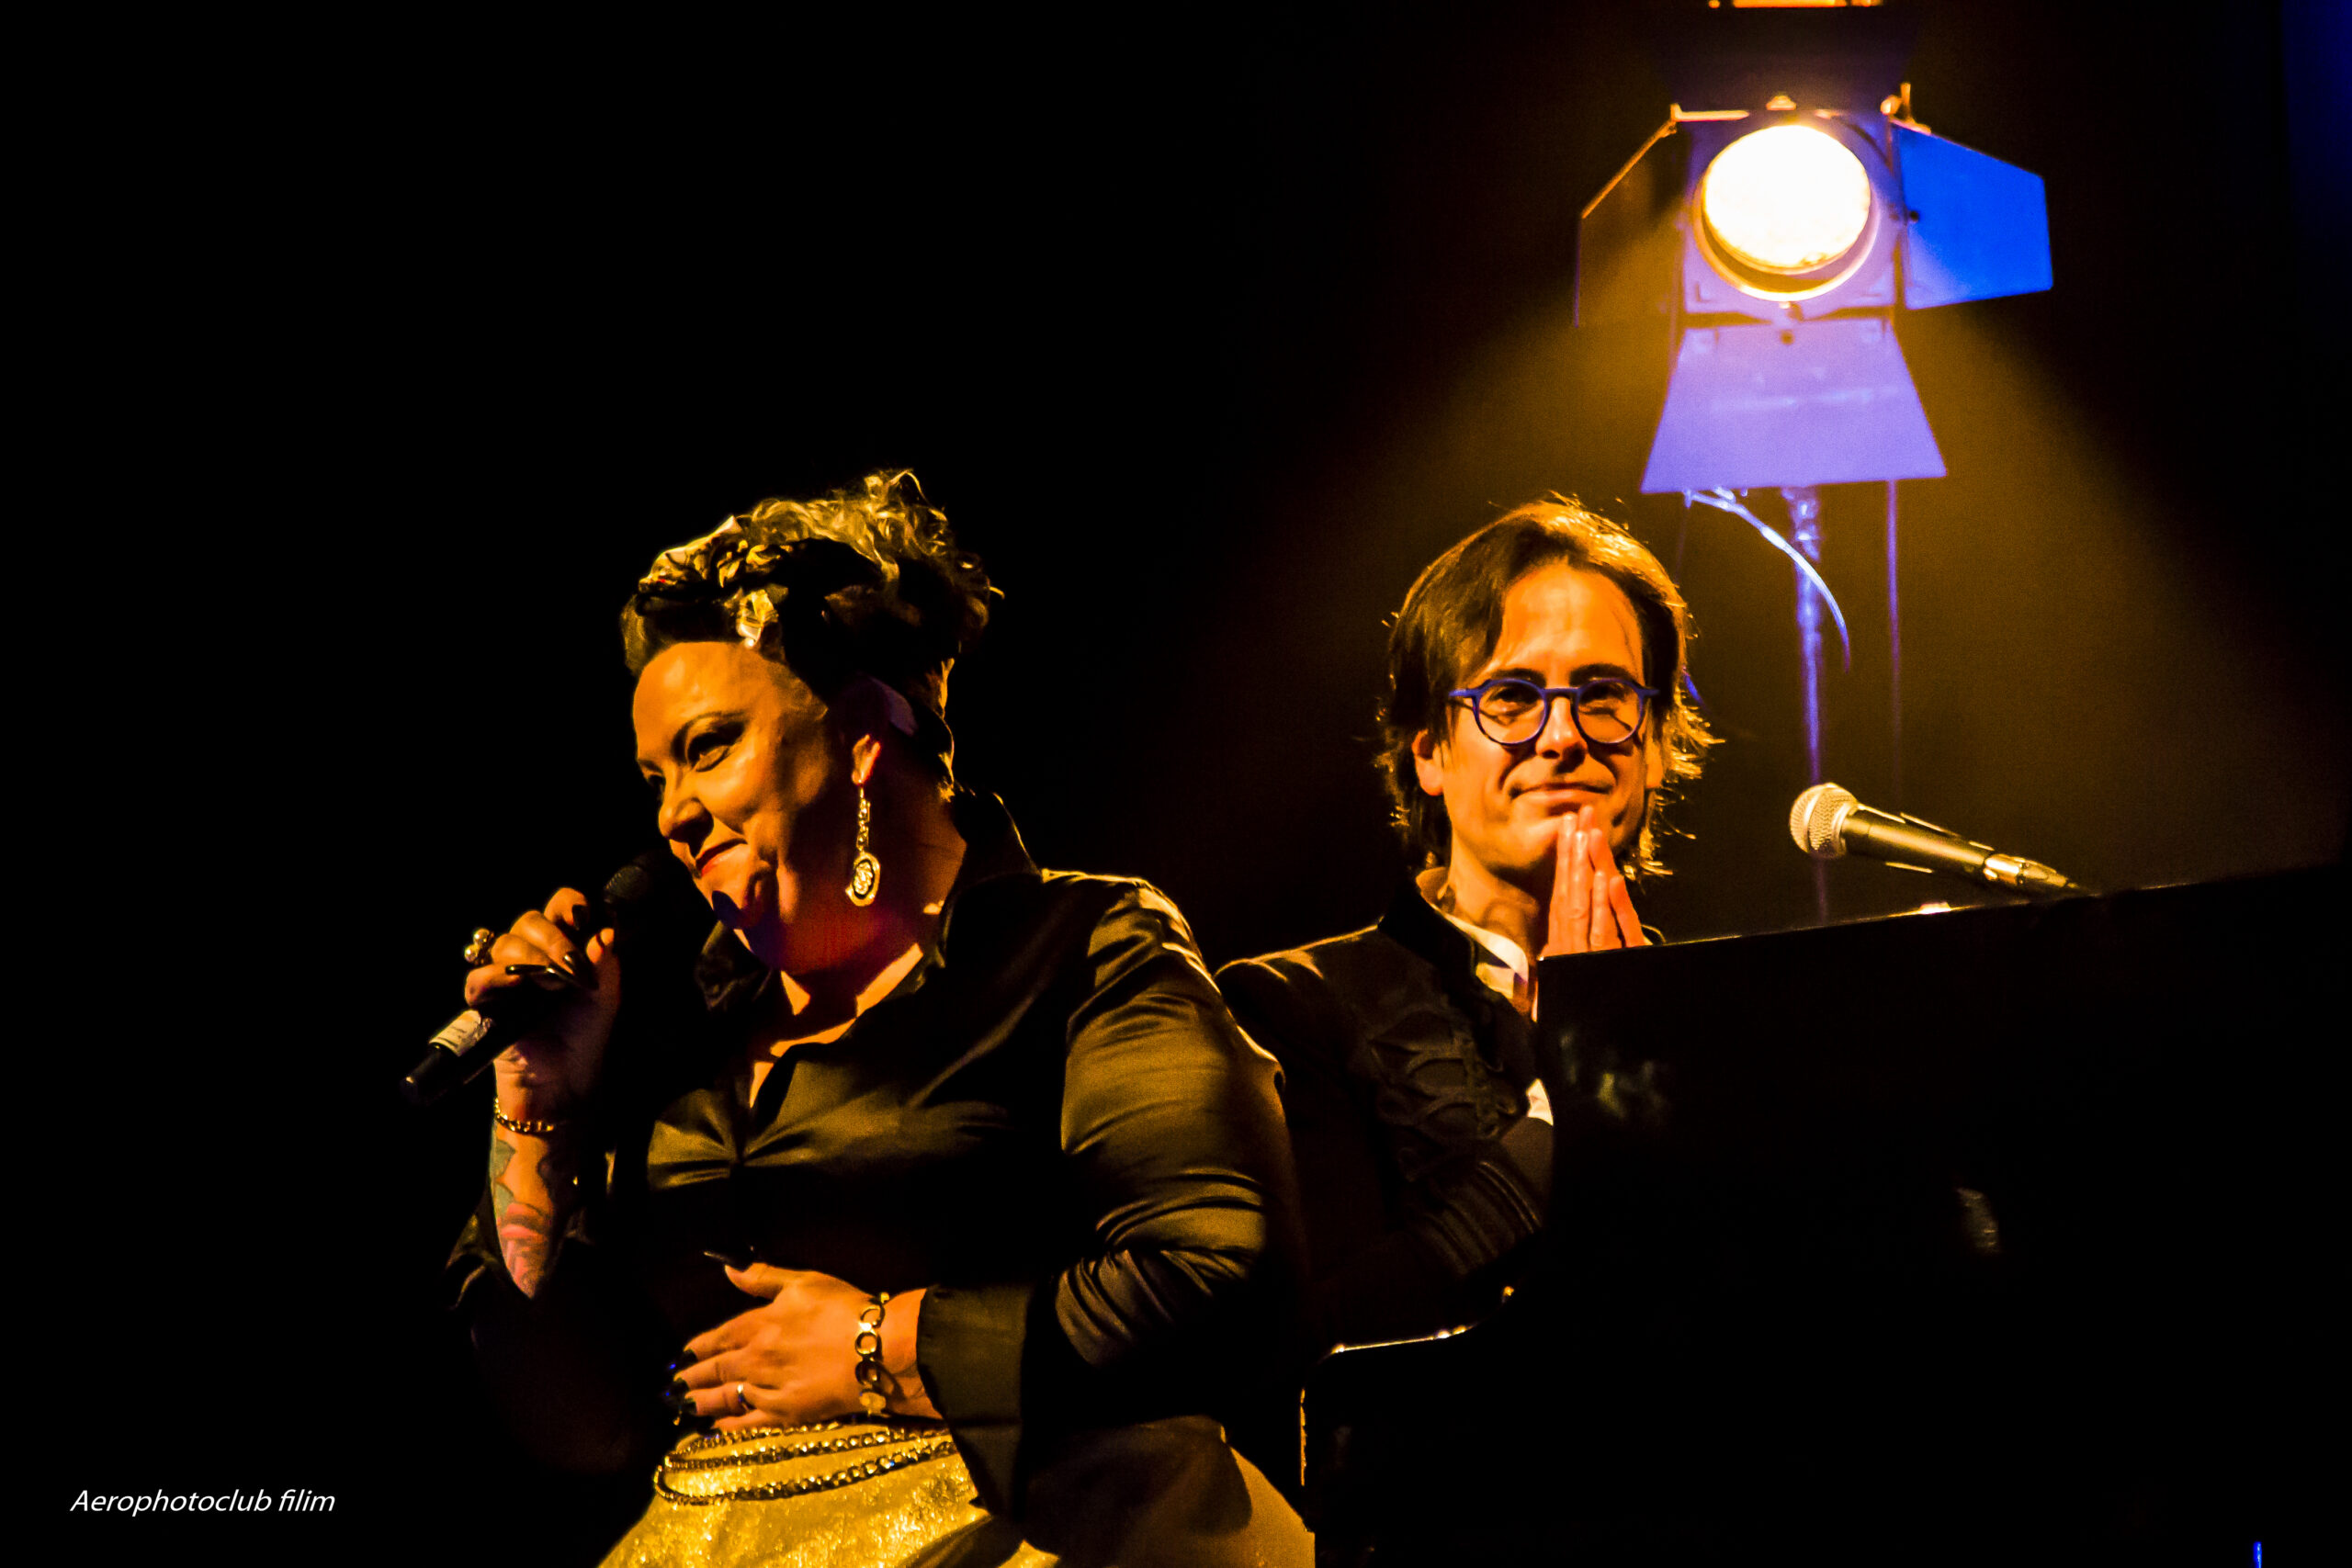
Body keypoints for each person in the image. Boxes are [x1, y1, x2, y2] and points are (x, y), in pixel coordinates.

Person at [446, 472, 1310, 1567]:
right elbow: (576, 1427)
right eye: (655, 777)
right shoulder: (678, 1038)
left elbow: (1224, 1281)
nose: (672, 815)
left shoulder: (1077, 949)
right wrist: (537, 1112)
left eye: (708, 749)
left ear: (859, 732)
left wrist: (884, 1344)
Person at [1217, 497, 1713, 1358]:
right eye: (1512, 697)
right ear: (1429, 752)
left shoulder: (1716, 1018)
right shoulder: (1290, 1010)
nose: (1563, 736)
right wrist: (1572, 1095)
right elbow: (1323, 1332)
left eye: (1603, 695)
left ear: (1659, 743)